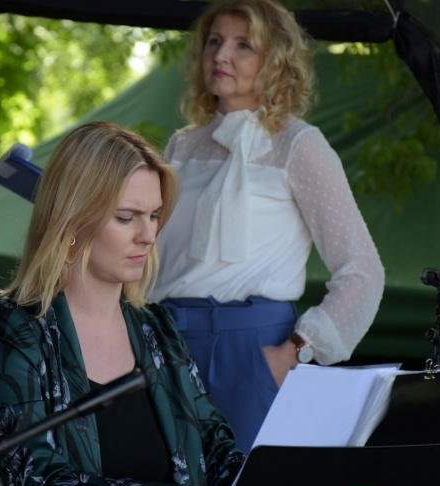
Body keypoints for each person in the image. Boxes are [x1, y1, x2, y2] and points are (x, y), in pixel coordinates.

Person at [0, 121, 245, 486]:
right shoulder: (11, 329)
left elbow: (216, 444)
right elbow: (36, 478)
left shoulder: (157, 327)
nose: (148, 235)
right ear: (70, 220)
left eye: (154, 216)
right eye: (126, 217)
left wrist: (269, 483)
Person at [150, 0, 386, 452]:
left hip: (253, 347)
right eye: (214, 41)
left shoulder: (299, 144)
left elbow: (362, 270)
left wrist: (294, 352)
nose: (221, 55)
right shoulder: (182, 145)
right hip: (167, 342)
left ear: (276, 59)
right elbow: (154, 253)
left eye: (243, 45)